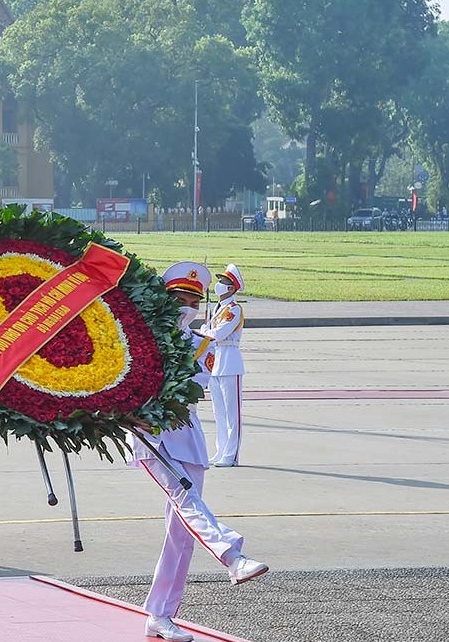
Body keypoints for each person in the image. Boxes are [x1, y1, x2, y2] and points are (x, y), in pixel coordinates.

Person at [131, 262, 268, 641]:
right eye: (180, 299)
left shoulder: (201, 345)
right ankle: (232, 555)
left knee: (181, 533)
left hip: (186, 436)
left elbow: (190, 390)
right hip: (150, 437)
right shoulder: (139, 339)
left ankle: (160, 615)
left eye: (193, 302)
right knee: (185, 497)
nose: (187, 308)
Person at [202, 263, 246, 467]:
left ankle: (231, 455)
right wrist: (207, 330)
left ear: (231, 288)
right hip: (216, 361)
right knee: (219, 412)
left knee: (232, 413)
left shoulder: (234, 309)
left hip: (230, 361)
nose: (218, 284)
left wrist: (204, 331)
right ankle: (221, 450)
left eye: (223, 281)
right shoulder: (218, 308)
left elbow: (219, 334)